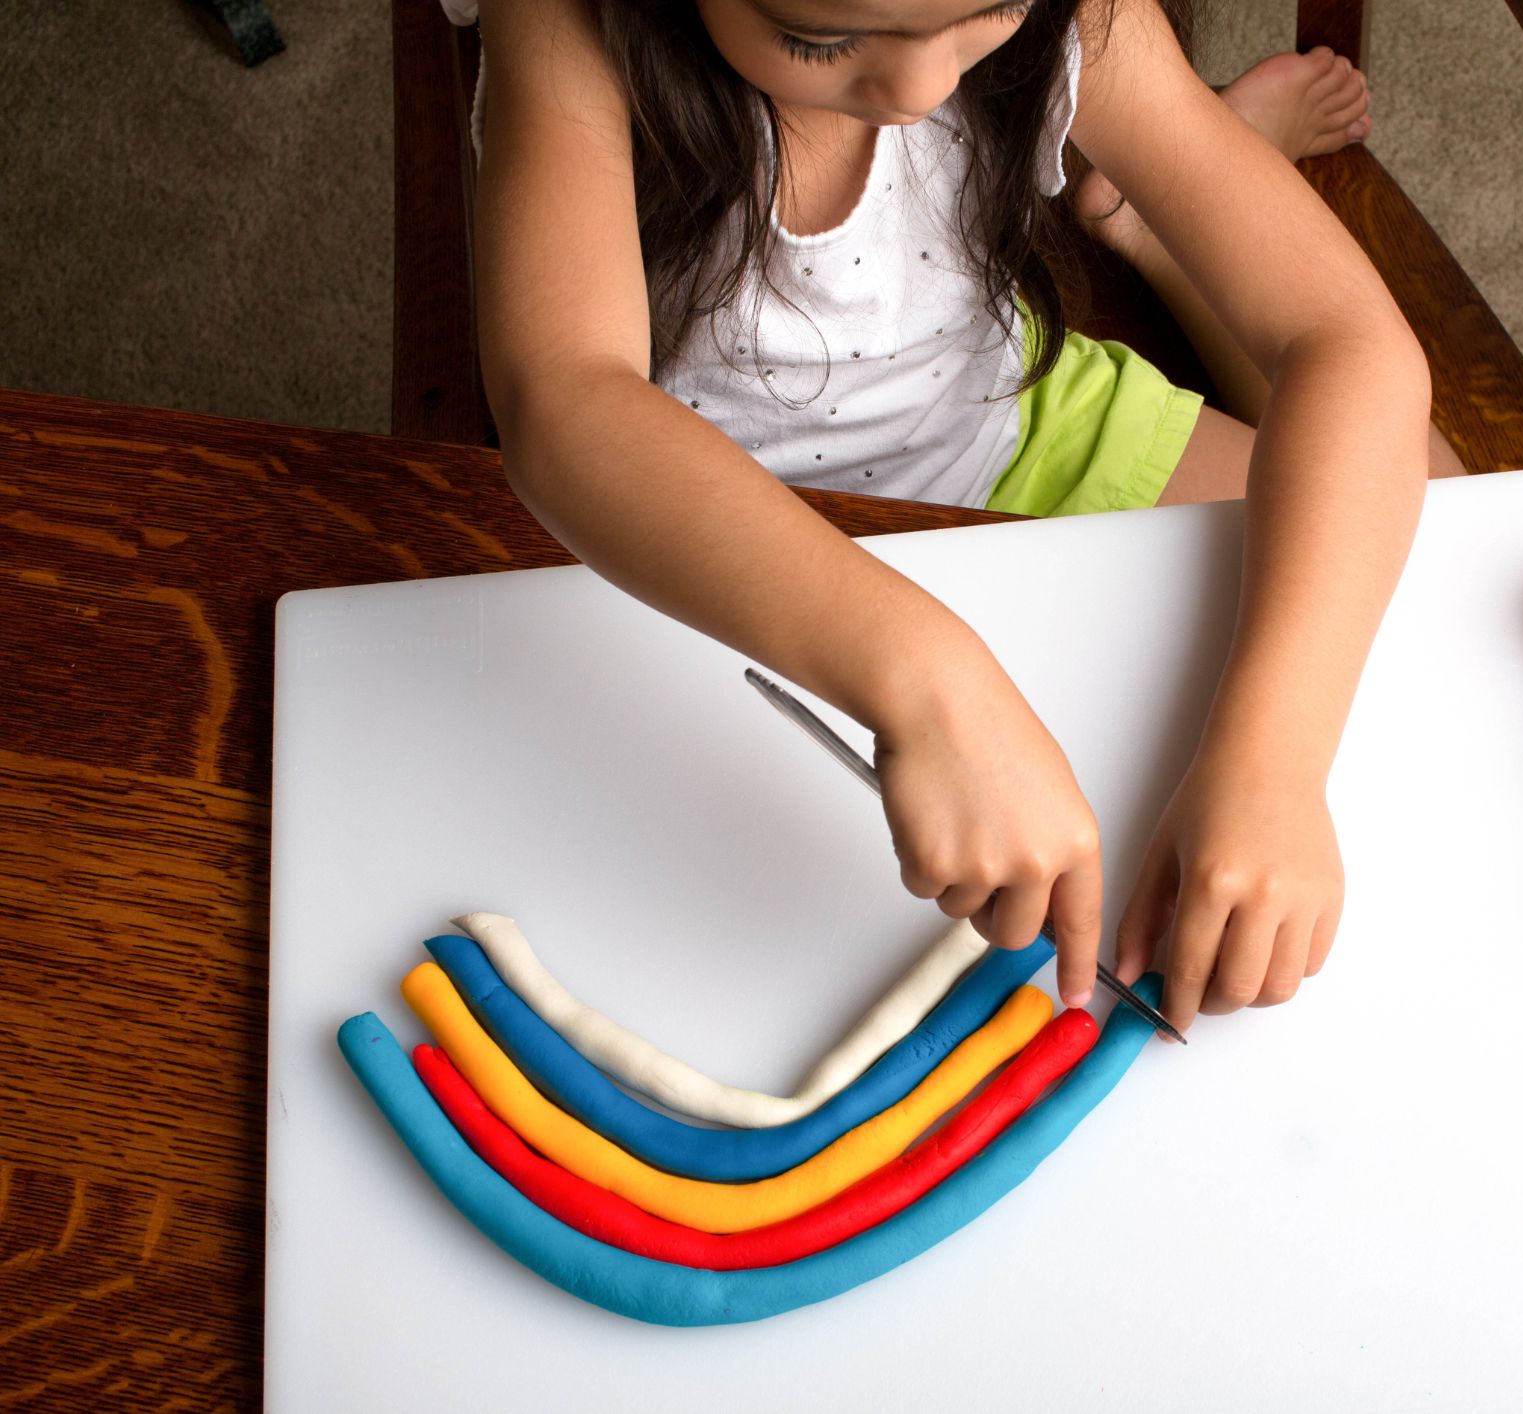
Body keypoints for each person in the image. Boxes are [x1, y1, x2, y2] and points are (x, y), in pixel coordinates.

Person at [460, 0, 1460, 1037]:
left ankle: (1138, 216)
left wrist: (1273, 758)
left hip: (1012, 429)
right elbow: (562, 399)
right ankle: (1146, 206)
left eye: (988, 12)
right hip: (713, 527)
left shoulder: (1087, 17)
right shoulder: (566, 21)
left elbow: (1347, 343)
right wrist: (930, 680)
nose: (922, 91)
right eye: (816, 39)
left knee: (1441, 495)